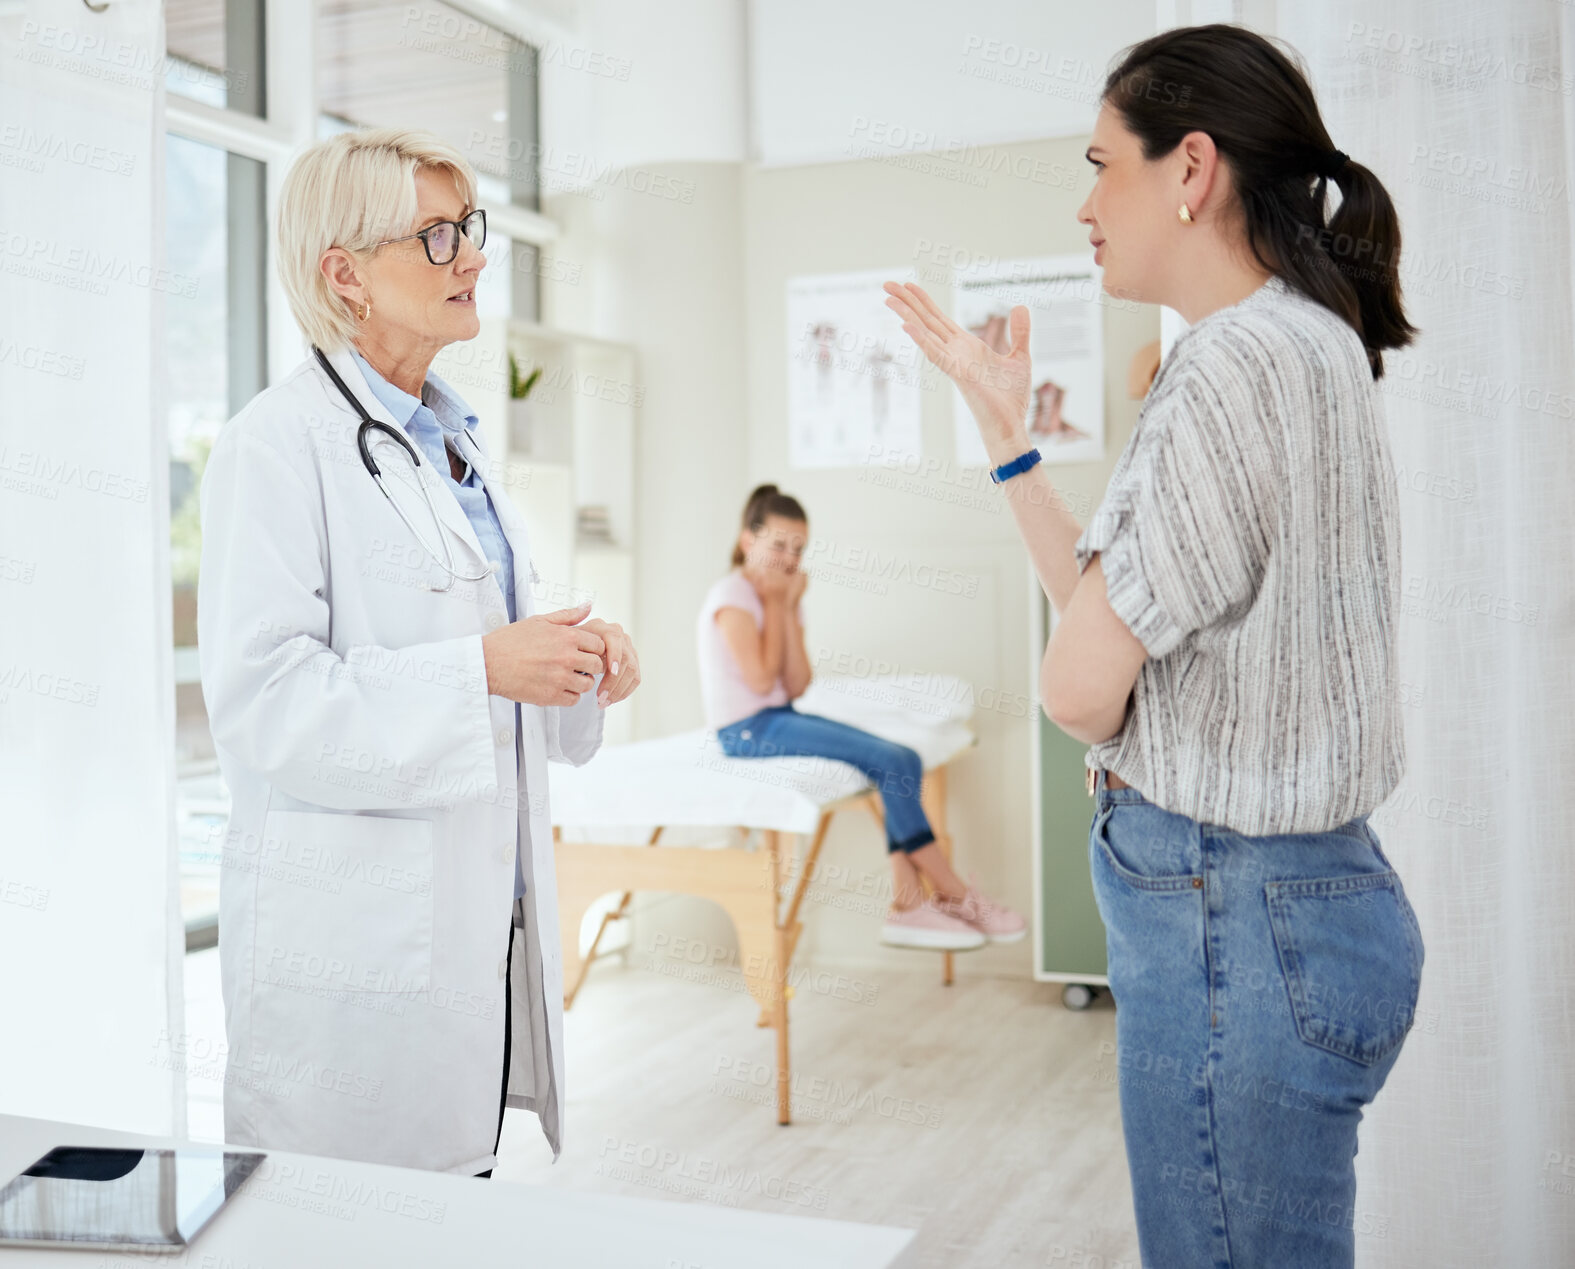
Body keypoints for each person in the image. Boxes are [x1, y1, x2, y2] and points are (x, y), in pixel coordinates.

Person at [886, 24, 1422, 1269]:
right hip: (1312, 908)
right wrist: (1011, 439)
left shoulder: (1225, 369)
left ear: (1191, 169)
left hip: (1236, 922)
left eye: (1098, 165)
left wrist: (1097, 684)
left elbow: (1077, 686)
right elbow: (1109, 619)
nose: (1084, 204)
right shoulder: (1311, 341)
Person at [197, 128, 640, 1178]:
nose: (473, 257)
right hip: (350, 963)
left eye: (468, 229)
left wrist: (579, 660)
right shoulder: (273, 447)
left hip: (464, 940)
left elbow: (489, 648)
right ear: (342, 274)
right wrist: (485, 670)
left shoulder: (455, 446)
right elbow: (263, 703)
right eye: (437, 237)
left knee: (454, 1199)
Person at [697, 484, 1026, 951]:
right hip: (745, 731)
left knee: (903, 758)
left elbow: (796, 684)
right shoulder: (733, 595)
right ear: (748, 541)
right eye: (778, 545)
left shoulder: (783, 595)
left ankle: (910, 903)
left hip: (778, 714)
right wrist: (775, 602)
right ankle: (951, 893)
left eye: (799, 548)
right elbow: (758, 679)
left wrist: (788, 607)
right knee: (891, 761)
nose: (790, 559)